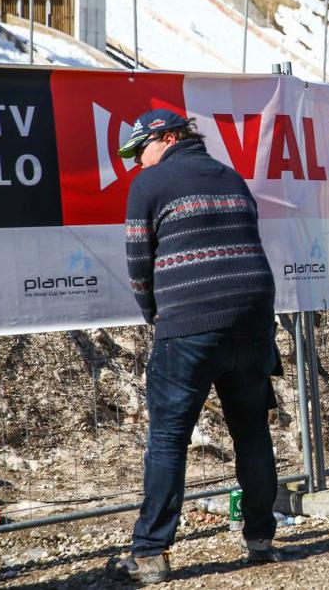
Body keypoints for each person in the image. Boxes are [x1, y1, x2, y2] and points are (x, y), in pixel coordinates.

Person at [108, 109, 280, 584]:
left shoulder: (150, 184)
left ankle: (150, 554)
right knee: (252, 433)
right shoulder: (231, 177)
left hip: (190, 324)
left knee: (167, 439)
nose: (136, 161)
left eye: (140, 149)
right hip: (253, 318)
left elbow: (139, 264)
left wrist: (154, 315)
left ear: (167, 138)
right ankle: (261, 539)